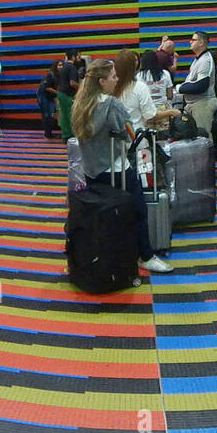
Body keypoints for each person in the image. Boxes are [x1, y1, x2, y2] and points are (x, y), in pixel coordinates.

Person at [72, 57, 175, 275]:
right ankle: (145, 255)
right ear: (102, 81)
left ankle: (108, 254)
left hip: (91, 170)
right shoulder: (111, 104)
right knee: (138, 210)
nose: (116, 80)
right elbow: (128, 134)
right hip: (117, 168)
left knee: (105, 214)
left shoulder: (81, 104)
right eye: (112, 77)